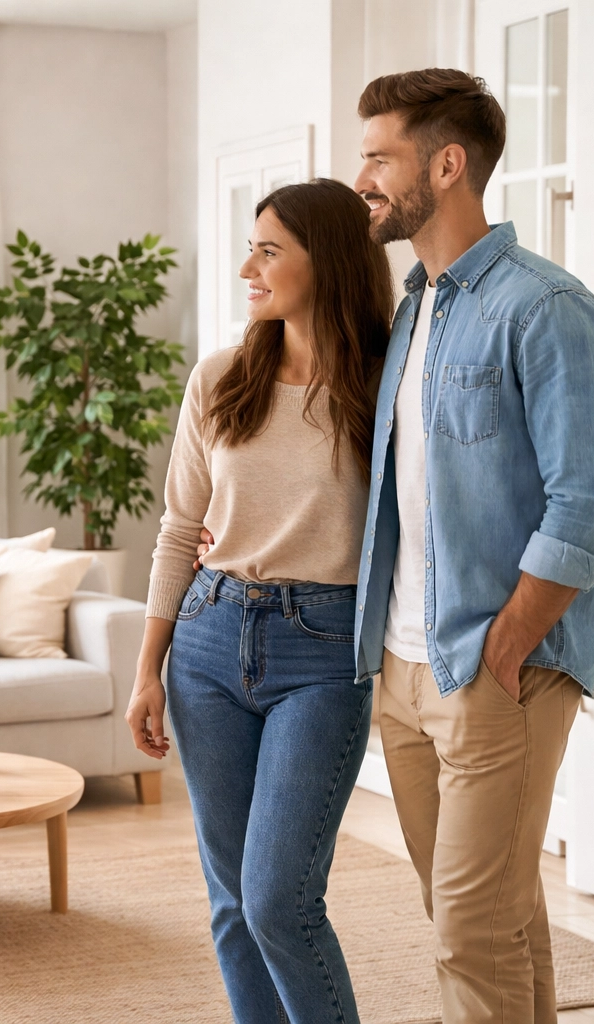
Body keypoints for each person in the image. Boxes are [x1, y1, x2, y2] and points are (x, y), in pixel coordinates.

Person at [351, 70, 594, 1022]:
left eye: (379, 157)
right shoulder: (414, 305)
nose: (363, 180)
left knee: (469, 934)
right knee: (490, 920)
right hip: (404, 665)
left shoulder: (547, 308)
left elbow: (587, 506)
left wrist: (506, 645)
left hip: (494, 669)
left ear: (448, 164)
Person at [126, 178, 393, 1023]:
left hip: (323, 653)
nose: (249, 266)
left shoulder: (387, 383)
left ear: (330, 262)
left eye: (270, 249)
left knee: (279, 898)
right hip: (207, 642)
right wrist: (148, 669)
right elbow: (179, 528)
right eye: (252, 245)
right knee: (233, 902)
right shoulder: (222, 377)